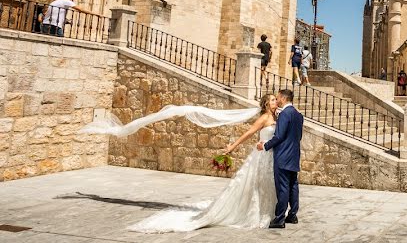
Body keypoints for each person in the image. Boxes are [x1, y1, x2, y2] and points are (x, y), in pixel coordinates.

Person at [79, 95, 279, 232]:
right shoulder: (263, 118)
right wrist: (232, 147)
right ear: (265, 104)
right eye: (272, 100)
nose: (275, 102)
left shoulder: (275, 116)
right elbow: (249, 133)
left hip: (269, 156)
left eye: (275, 100)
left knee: (264, 186)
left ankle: (267, 212)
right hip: (260, 157)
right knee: (254, 186)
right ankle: (255, 214)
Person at [258, 88, 304, 229]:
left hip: (283, 156)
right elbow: (298, 136)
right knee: (293, 186)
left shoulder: (284, 114)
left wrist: (265, 146)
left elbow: (279, 136)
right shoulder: (298, 115)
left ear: (283, 99)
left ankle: (279, 219)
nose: (277, 101)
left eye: (277, 98)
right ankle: (293, 215)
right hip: (294, 156)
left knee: (283, 187)